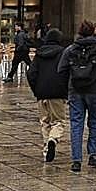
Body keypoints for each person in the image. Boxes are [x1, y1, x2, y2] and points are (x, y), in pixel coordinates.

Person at [57, 20, 96, 172]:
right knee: (94, 122)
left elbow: (61, 70)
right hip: (94, 90)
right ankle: (93, 155)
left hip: (75, 91)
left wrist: (68, 87)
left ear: (79, 33)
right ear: (92, 32)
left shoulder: (70, 49)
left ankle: (76, 160)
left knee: (76, 124)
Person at [27, 28, 68, 163]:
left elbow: (31, 74)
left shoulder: (39, 54)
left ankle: (46, 150)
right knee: (58, 121)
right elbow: (66, 73)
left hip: (42, 93)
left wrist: (36, 90)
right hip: (57, 92)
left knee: (44, 122)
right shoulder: (63, 53)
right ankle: (52, 139)